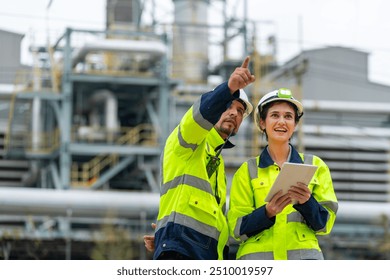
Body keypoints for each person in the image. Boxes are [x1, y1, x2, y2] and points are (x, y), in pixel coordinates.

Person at [149, 56, 255, 260]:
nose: (233, 113)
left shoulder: (218, 162)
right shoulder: (189, 141)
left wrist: (165, 233)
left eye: (240, 111)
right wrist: (229, 87)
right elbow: (199, 115)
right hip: (183, 253)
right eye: (227, 106)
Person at [227, 88, 338, 260]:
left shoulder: (315, 165)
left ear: (295, 124)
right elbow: (236, 228)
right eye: (275, 115)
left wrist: (307, 202)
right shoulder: (247, 171)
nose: (282, 122)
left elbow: (325, 225)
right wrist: (267, 212)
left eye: (288, 116)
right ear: (262, 123)